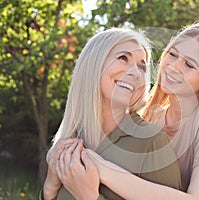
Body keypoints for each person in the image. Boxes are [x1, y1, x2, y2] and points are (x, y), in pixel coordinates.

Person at [87, 20, 199, 200]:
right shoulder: (153, 115)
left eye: (189, 65)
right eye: (173, 54)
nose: (174, 66)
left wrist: (103, 169)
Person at [41, 27, 182, 200]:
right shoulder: (69, 142)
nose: (136, 72)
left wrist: (90, 197)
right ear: (93, 64)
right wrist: (48, 190)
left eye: (142, 67)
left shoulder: (151, 142)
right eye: (123, 58)